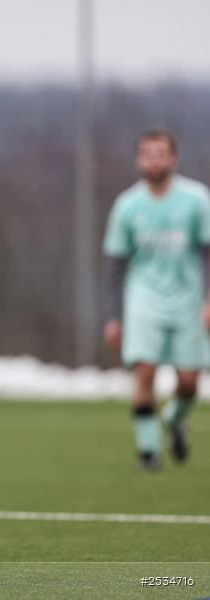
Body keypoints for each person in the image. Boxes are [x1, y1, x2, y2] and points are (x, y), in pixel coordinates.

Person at [102, 129, 210, 470]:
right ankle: (149, 452)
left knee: (190, 382)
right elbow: (116, 264)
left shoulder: (196, 199)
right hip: (143, 299)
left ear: (173, 159)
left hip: (188, 300)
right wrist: (113, 317)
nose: (154, 159)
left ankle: (175, 419)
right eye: (148, 153)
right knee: (145, 371)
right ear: (138, 159)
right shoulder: (127, 205)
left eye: (161, 153)